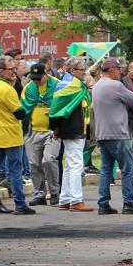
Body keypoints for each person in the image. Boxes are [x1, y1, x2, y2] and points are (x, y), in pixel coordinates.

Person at [0, 56, 35, 215]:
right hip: (10, 134)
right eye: (11, 70)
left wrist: (13, 81)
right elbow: (20, 113)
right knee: (16, 171)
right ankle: (20, 204)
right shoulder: (7, 91)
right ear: (2, 71)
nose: (14, 72)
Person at [92, 58, 133, 214]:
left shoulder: (96, 87)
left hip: (102, 133)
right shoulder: (116, 86)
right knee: (128, 168)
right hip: (118, 133)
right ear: (110, 70)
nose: (120, 72)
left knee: (106, 169)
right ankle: (129, 202)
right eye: (118, 69)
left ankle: (103, 204)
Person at [49, 56, 92, 212]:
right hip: (73, 128)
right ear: (73, 70)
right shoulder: (74, 85)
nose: (84, 72)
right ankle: (76, 200)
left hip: (68, 128)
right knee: (76, 165)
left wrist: (55, 128)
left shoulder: (64, 83)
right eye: (82, 70)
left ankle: (65, 198)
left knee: (69, 165)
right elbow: (57, 108)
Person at [21, 62, 60, 206]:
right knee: (34, 163)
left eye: (39, 78)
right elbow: (23, 108)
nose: (36, 81)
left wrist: (55, 110)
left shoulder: (57, 85)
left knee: (49, 160)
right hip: (33, 131)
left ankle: (55, 192)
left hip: (52, 131)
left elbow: (65, 103)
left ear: (46, 74)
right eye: (34, 78)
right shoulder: (29, 88)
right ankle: (39, 194)